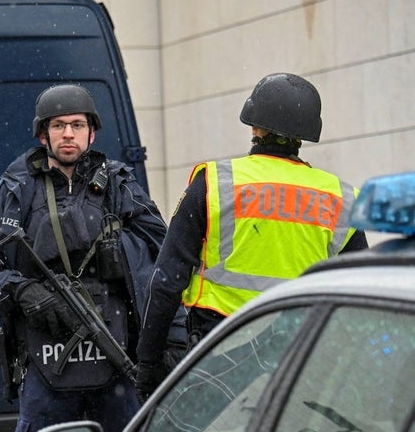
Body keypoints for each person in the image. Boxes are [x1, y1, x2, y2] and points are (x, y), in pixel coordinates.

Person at [0, 84, 184, 432]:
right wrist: (23, 291)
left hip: (116, 353)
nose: (68, 134)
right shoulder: (17, 188)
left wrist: (120, 253)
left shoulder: (118, 183)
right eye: (59, 125)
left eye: (77, 125)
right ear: (42, 134)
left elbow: (162, 253)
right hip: (46, 360)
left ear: (92, 133)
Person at [135, 72, 369, 404]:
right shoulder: (342, 198)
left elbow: (166, 280)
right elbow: (357, 294)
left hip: (219, 354)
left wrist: (148, 360)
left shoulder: (216, 184)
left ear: (255, 128)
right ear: (305, 135)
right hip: (299, 357)